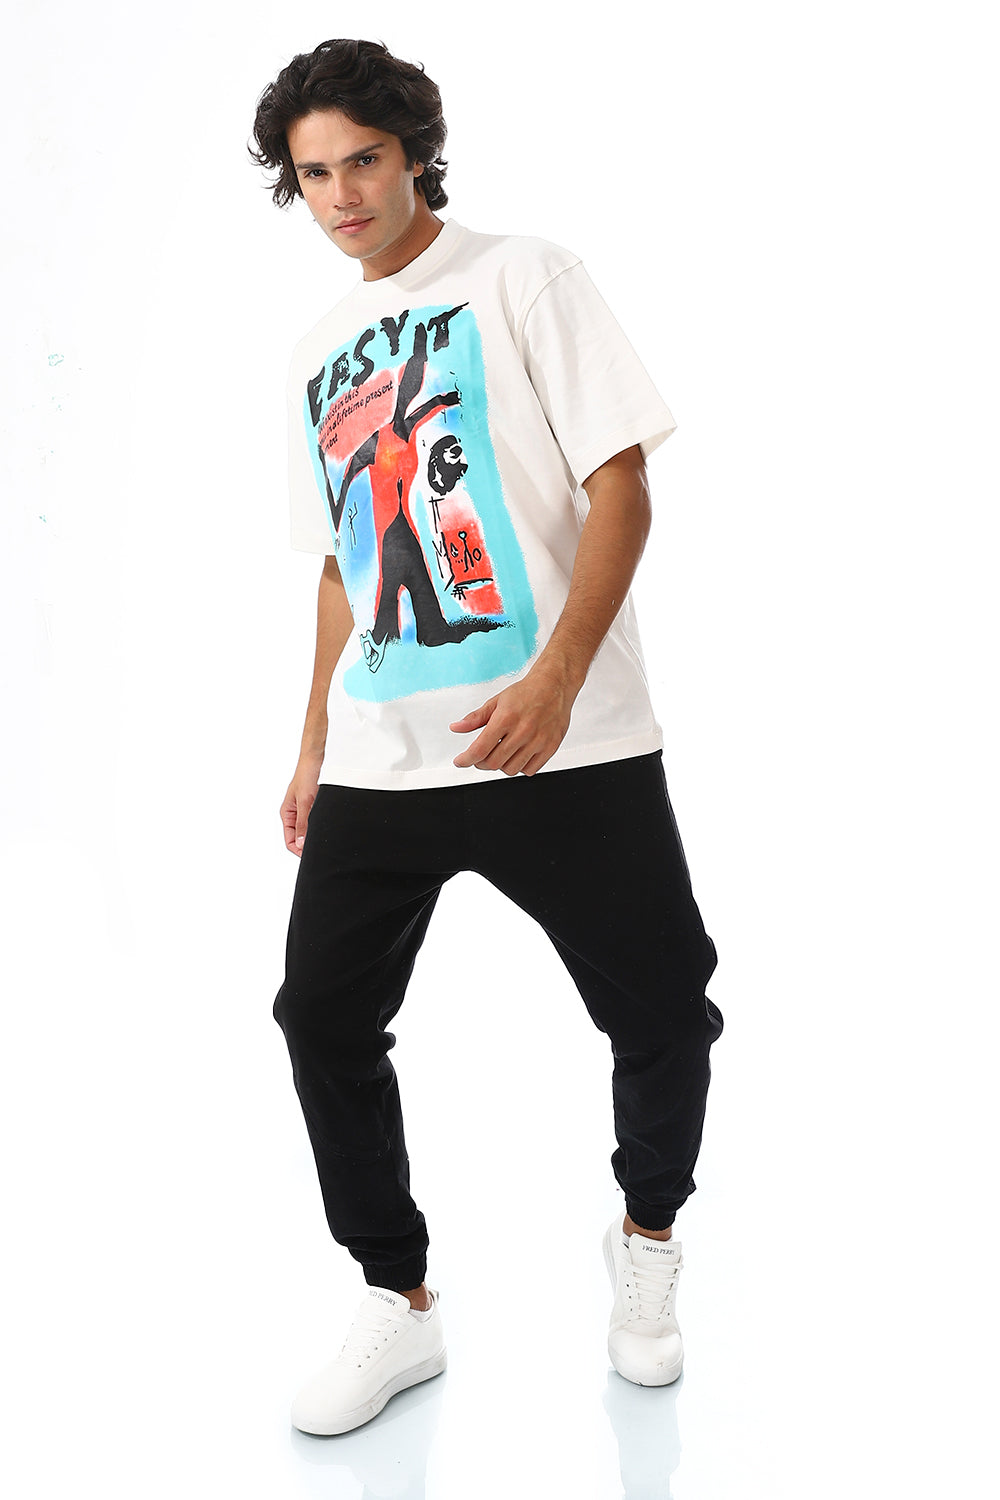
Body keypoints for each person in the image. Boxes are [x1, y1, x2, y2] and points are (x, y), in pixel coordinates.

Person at [250, 37, 723, 1437]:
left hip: (563, 743)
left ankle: (647, 1242)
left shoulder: (524, 277)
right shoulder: (316, 351)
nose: (341, 195)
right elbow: (340, 562)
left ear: (415, 154)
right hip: (380, 757)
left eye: (364, 161)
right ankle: (396, 1299)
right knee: (321, 1018)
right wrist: (309, 743)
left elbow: (621, 482)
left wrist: (562, 678)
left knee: (662, 1010)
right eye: (313, 173)